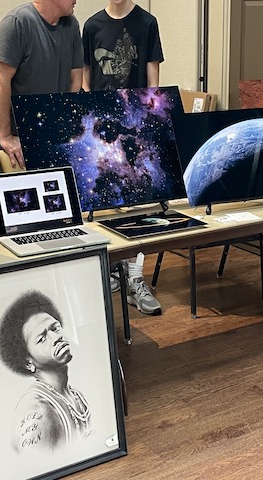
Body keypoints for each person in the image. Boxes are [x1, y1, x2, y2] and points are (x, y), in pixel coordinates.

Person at [82, 0, 164, 315]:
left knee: (138, 200)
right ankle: (112, 269)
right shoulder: (91, 26)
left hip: (135, 125)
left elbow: (153, 77)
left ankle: (135, 278)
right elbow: (86, 74)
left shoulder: (147, 22)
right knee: (105, 196)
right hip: (103, 125)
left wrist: (150, 116)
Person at [0, 0, 83, 169]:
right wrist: (6, 137)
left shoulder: (71, 25)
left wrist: (63, 124)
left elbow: (75, 78)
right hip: (20, 137)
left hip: (55, 133)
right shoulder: (17, 23)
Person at [0, 290, 90, 453]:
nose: (56, 338)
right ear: (28, 363)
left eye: (55, 328)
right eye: (41, 338)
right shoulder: (37, 411)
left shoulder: (75, 396)